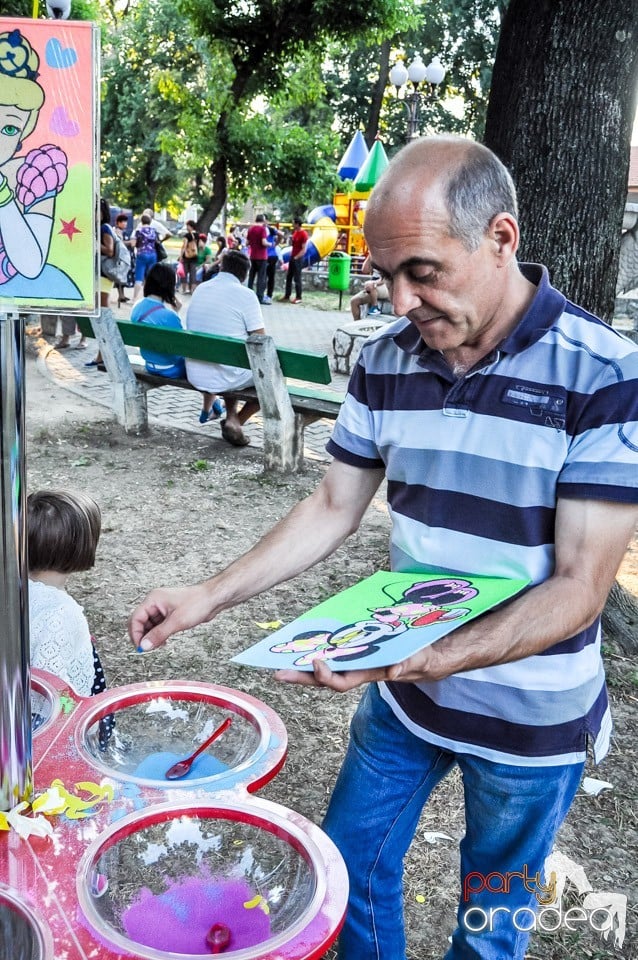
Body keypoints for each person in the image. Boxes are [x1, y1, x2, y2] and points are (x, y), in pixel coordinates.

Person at [128, 136, 638, 960]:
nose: (401, 301)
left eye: (424, 272)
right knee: (345, 867)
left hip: (529, 723)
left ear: (501, 239)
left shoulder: (605, 373)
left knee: (492, 915)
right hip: (404, 701)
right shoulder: (386, 359)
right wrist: (209, 595)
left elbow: (579, 588)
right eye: (385, 274)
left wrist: (416, 658)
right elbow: (334, 504)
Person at [0, 27, 82, 303]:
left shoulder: (34, 173)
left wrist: (3, 196)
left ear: (25, 131)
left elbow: (30, 264)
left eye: (9, 129)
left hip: (17, 291)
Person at [28, 490, 105, 699]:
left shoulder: (13, 591)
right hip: (53, 722)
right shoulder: (61, 613)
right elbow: (51, 689)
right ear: (82, 546)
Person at [185, 249, 263, 444]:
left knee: (232, 362)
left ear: (221, 267)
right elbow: (262, 341)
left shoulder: (201, 288)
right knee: (273, 379)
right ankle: (236, 420)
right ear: (244, 275)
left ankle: (231, 418)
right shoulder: (246, 295)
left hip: (195, 371)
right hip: (225, 374)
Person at [130, 262, 186, 379]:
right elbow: (181, 345)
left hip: (149, 364)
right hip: (171, 368)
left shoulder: (137, 307)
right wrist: (176, 312)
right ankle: (212, 397)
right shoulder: (169, 315)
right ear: (169, 286)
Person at [349, 254, 390, 320]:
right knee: (354, 301)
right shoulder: (374, 256)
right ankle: (357, 323)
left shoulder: (387, 257)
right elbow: (365, 270)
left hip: (384, 286)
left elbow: (386, 278)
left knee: (370, 285)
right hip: (372, 287)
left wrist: (374, 283)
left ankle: (375, 307)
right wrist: (370, 255)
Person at [280, 216, 308, 304]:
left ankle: (299, 297)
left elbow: (304, 249)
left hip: (298, 258)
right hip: (292, 256)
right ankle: (287, 295)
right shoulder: (295, 232)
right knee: (289, 277)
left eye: (293, 223)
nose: (292, 224)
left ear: (297, 224)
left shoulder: (303, 234)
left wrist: (297, 257)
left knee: (297, 278)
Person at [131, 214, 158, 301]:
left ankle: (135, 298)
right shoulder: (154, 230)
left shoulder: (139, 231)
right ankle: (150, 297)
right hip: (153, 254)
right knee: (151, 277)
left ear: (141, 221)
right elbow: (157, 241)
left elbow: (133, 244)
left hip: (142, 254)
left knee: (139, 277)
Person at [246, 213, 269, 304]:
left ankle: (248, 295)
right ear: (263, 220)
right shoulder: (262, 229)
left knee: (251, 276)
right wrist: (270, 244)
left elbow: (247, 242)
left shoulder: (251, 229)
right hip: (262, 256)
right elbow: (264, 242)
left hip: (253, 256)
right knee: (261, 277)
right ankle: (259, 297)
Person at [114, 212, 134, 306]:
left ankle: (122, 295)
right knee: (120, 276)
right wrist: (130, 242)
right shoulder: (117, 231)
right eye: (123, 222)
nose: (125, 224)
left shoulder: (123, 231)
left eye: (126, 222)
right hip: (120, 256)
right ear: (118, 223)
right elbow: (120, 243)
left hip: (125, 256)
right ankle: (120, 295)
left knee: (124, 275)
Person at [264, 217, 284, 304]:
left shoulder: (270, 229)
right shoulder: (259, 229)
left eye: (264, 220)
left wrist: (276, 244)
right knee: (263, 276)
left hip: (271, 255)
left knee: (270, 277)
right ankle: (261, 294)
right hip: (262, 256)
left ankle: (269, 295)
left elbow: (281, 234)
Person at [180, 219, 199, 295]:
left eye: (187, 226)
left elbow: (184, 246)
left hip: (186, 256)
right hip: (194, 256)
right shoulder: (198, 235)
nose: (187, 227)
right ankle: (192, 290)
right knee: (193, 273)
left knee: (184, 273)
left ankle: (184, 289)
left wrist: (181, 256)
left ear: (190, 226)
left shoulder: (187, 235)